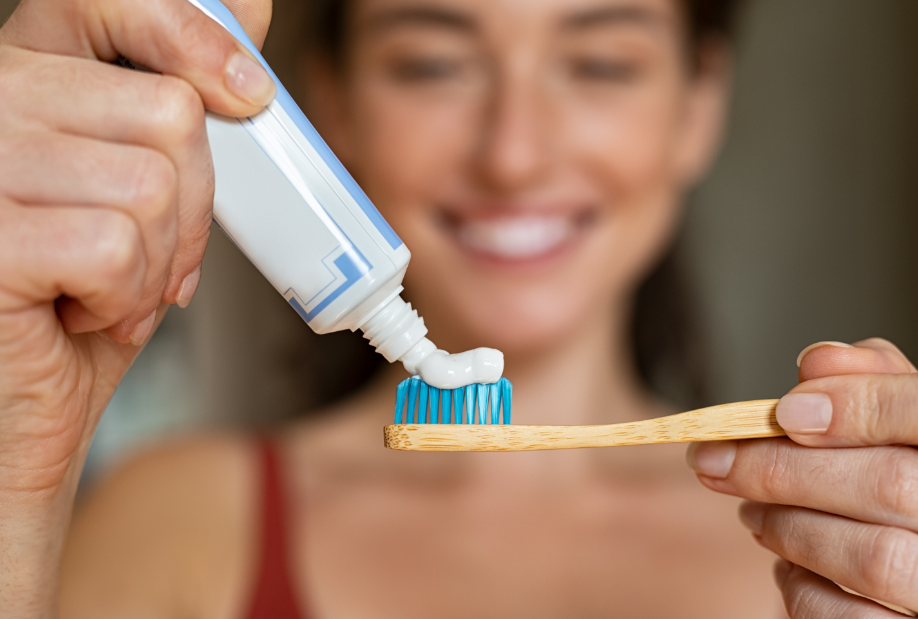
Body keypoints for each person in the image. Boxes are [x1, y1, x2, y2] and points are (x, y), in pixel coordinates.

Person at [0, 0, 915, 617]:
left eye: (599, 64)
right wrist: (16, 459)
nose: (513, 153)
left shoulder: (840, 548)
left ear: (698, 106)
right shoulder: (174, 519)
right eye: (434, 65)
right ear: (332, 107)